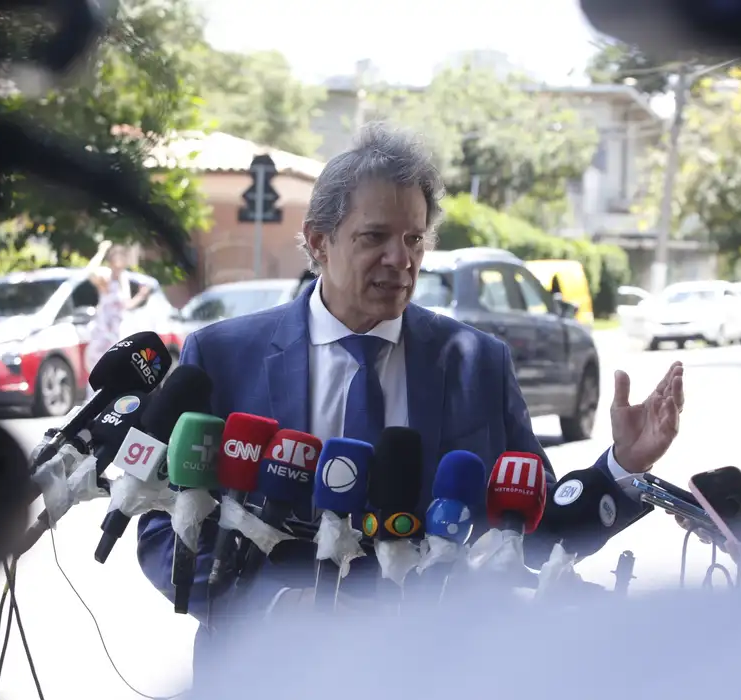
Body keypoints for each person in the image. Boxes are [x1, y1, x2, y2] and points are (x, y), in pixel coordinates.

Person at [135, 122, 685, 680]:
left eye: (414, 239)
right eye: (375, 237)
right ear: (319, 241)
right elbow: (165, 530)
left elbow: (528, 535)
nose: (401, 259)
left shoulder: (478, 363)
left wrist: (622, 467)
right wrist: (279, 609)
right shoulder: (224, 356)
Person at [83, 243, 149, 397]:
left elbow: (126, 305)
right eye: (116, 259)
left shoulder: (123, 279)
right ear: (111, 262)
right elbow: (89, 272)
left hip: (117, 332)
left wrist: (141, 296)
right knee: (98, 368)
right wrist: (101, 251)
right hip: (103, 333)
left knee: (117, 369)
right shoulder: (105, 278)